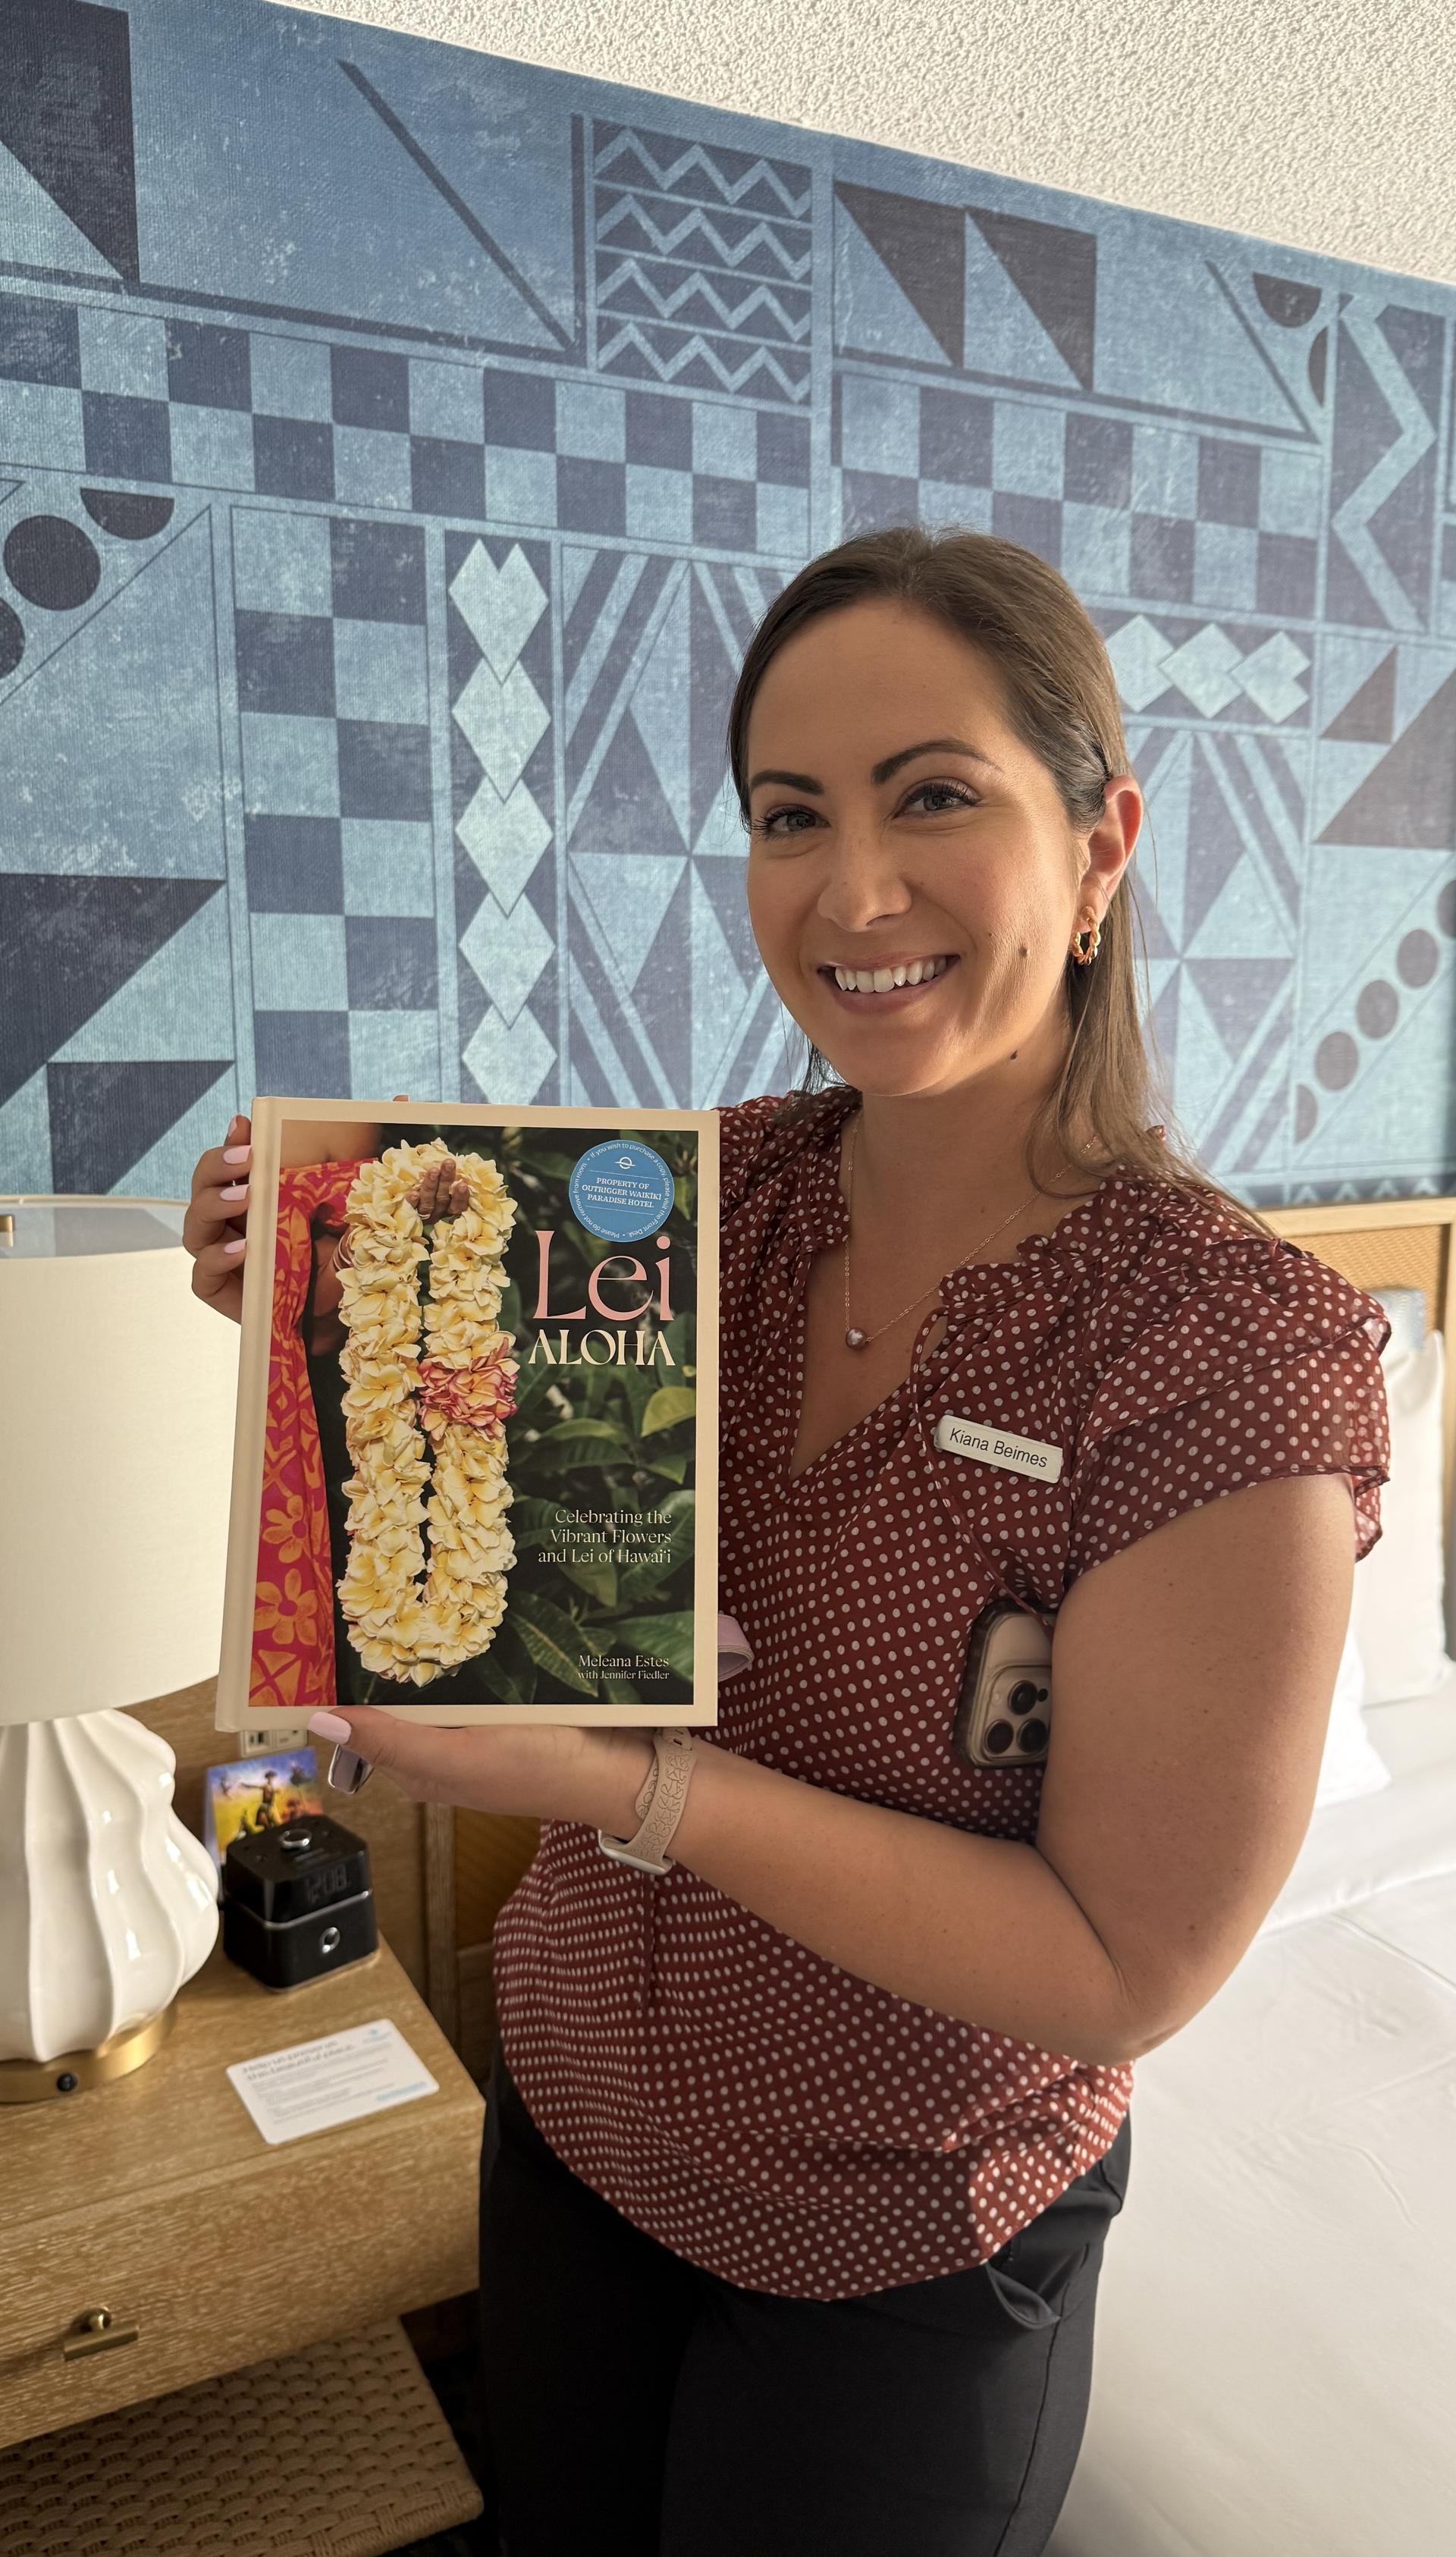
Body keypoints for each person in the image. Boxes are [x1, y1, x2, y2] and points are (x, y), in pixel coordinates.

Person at [184, 529, 1389, 2557]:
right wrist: (310, 1314)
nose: (855, 892)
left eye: (937, 797)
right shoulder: (692, 1208)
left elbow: (1118, 1968)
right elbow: (479, 1489)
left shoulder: (1224, 1354)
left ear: (1101, 845)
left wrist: (635, 1787)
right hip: (577, 2132)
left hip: (902, 2246)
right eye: (790, 815)